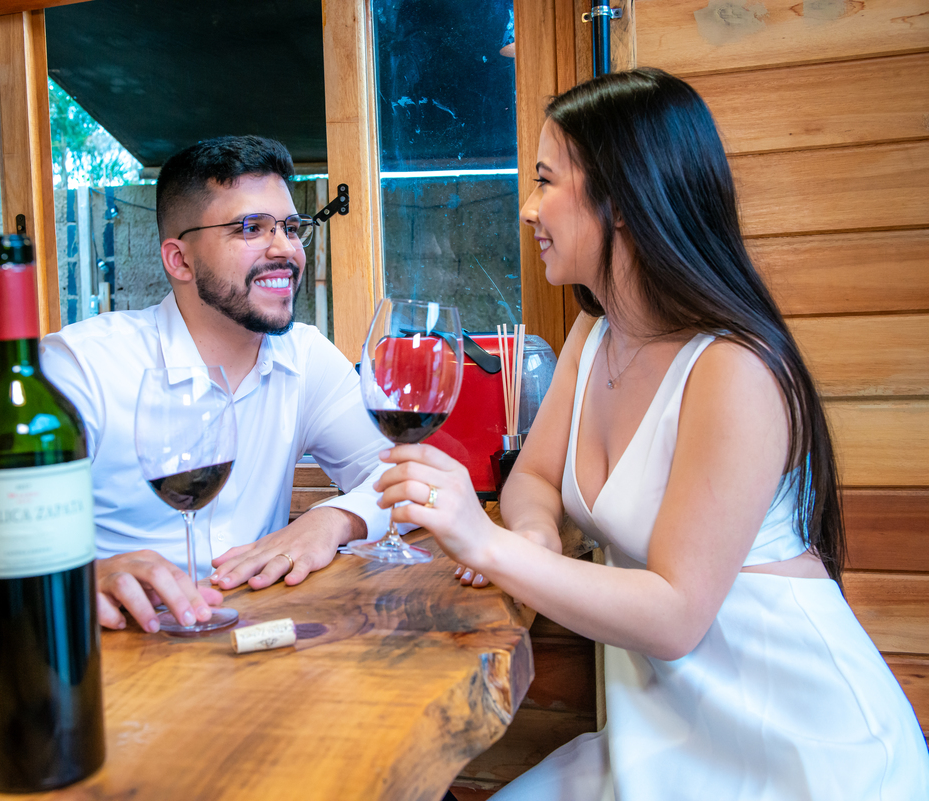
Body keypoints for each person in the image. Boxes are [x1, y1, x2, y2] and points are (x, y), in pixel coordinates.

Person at [374, 69, 929, 799]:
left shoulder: (734, 368)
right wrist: (534, 536)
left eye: (545, 181)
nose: (528, 209)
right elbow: (535, 477)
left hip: (801, 751)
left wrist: (488, 545)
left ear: (624, 201)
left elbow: (675, 616)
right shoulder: (595, 335)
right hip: (664, 732)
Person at [41, 135, 394, 633]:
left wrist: (332, 520)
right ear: (179, 260)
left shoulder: (306, 357)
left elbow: (406, 479)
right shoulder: (81, 368)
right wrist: (82, 579)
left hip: (253, 644)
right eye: (251, 228)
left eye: (291, 228)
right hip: (112, 655)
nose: (285, 249)